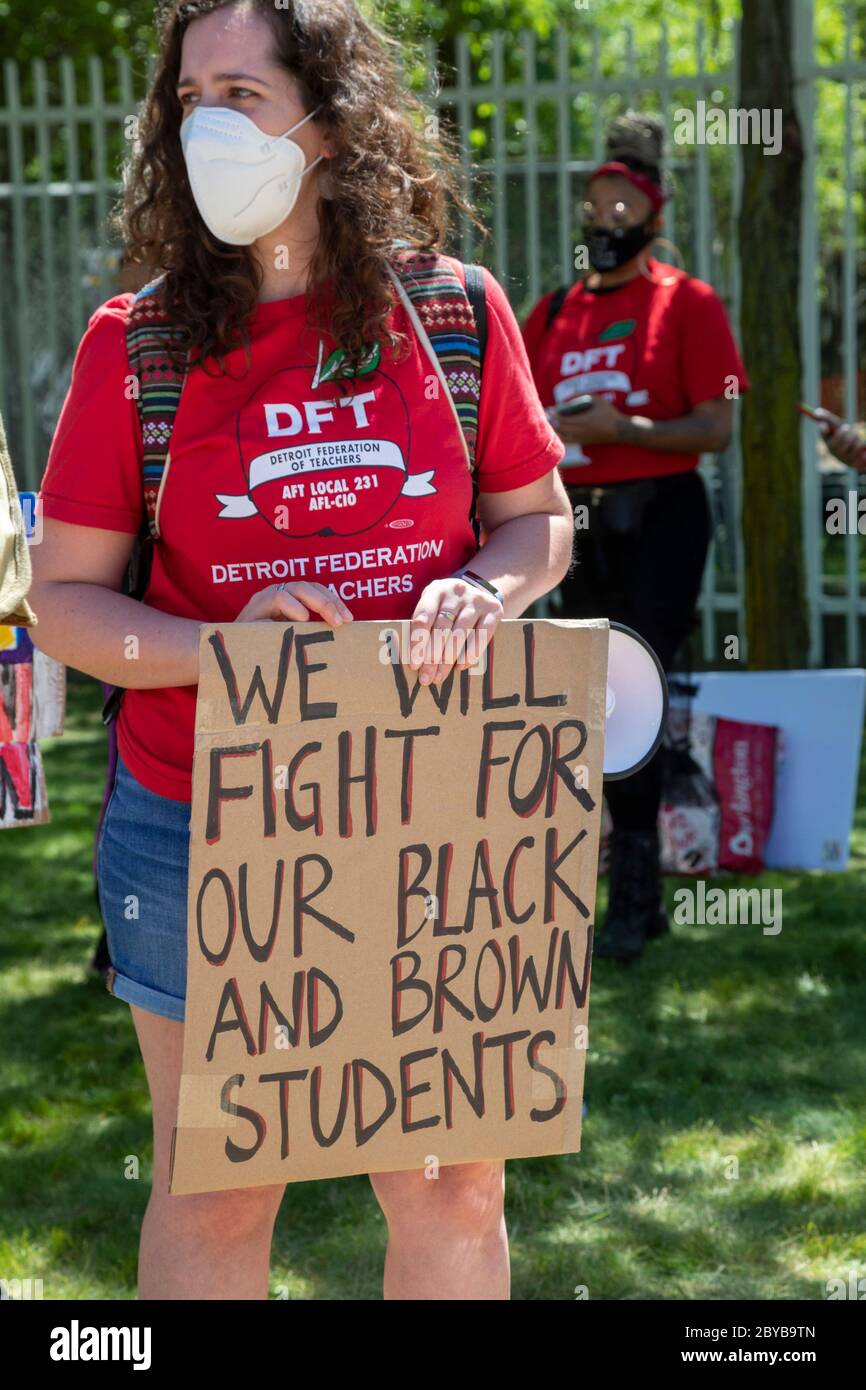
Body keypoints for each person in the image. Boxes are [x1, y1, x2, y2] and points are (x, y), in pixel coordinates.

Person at [29, 0, 573, 1301]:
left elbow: (537, 524)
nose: (204, 123)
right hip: (202, 814)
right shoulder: (138, 346)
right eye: (187, 98)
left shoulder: (451, 314)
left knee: (449, 1175)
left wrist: (483, 595)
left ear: (328, 122)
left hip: (434, 804)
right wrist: (227, 657)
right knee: (219, 1185)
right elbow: (61, 602)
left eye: (242, 95)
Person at [522, 112, 750, 964]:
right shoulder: (551, 314)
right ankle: (601, 890)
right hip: (576, 523)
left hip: (659, 515)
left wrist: (628, 427)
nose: (605, 228)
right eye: (595, 213)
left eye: (623, 215)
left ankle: (636, 897)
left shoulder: (686, 303)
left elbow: (716, 426)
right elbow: (518, 424)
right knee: (591, 700)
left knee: (641, 694)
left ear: (653, 222)